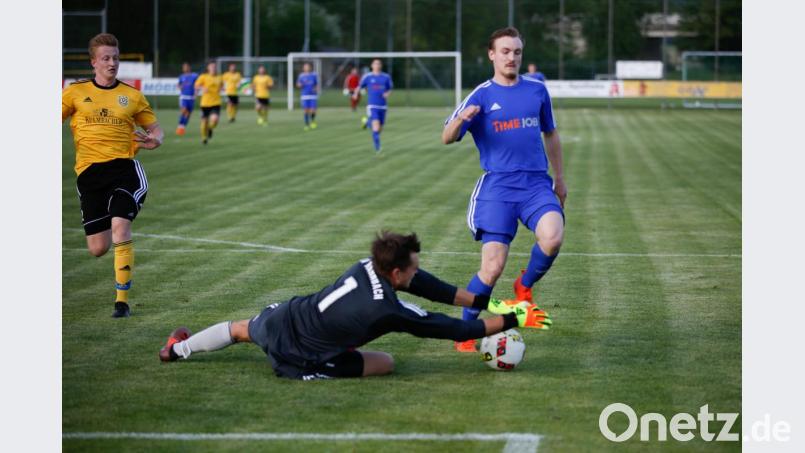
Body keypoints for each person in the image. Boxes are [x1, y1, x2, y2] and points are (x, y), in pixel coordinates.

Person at [159, 232, 551, 379]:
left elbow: (427, 286)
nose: (418, 271)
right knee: (386, 363)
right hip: (304, 352)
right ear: (396, 273)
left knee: (241, 329)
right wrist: (515, 316)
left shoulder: (369, 265)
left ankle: (177, 348)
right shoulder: (387, 310)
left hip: (287, 315)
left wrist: (484, 300)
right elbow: (452, 328)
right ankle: (311, 367)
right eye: (412, 267)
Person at [441, 27, 566, 352]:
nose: (512, 57)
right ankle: (467, 331)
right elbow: (447, 136)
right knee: (492, 266)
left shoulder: (537, 91)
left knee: (553, 237)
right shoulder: (480, 95)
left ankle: (524, 287)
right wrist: (461, 120)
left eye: (517, 52)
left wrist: (560, 178)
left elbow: (550, 134)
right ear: (492, 55)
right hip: (498, 186)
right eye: (506, 51)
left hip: (536, 184)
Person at [62, 33, 164, 318]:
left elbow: (156, 129)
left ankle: (122, 302)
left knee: (121, 226)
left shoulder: (131, 96)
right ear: (93, 62)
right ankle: (111, 215)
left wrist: (157, 139)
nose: (112, 63)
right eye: (106, 58)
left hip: (124, 170)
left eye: (116, 58)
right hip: (90, 176)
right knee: (97, 248)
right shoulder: (74, 92)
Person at [356, 59, 393, 152]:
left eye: (379, 64)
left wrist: (387, 94)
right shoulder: (368, 77)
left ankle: (367, 122)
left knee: (380, 128)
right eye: (375, 63)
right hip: (372, 105)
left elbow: (390, 89)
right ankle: (378, 147)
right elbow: (360, 86)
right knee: (376, 127)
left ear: (381, 66)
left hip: (383, 106)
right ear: (372, 66)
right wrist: (356, 93)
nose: (377, 65)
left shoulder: (386, 77)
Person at [194, 61, 223, 145]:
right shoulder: (203, 77)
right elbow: (196, 85)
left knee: (215, 120)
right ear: (208, 68)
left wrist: (220, 89)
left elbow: (221, 85)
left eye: (214, 67)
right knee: (204, 122)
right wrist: (202, 87)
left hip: (216, 102)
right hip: (205, 103)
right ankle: (204, 138)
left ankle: (210, 129)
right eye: (212, 67)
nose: (213, 68)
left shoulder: (219, 77)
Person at [176, 62, 198, 136]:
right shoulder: (181, 76)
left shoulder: (194, 75)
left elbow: (197, 84)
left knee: (188, 114)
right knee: (184, 111)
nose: (184, 68)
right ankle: (180, 125)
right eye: (183, 67)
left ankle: (182, 127)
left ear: (189, 67)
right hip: (183, 97)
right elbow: (178, 85)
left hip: (191, 97)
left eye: (186, 67)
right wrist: (180, 87)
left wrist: (196, 93)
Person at [296, 62, 318, 130]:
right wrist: (299, 85)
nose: (307, 68)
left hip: (312, 95)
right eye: (305, 67)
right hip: (305, 95)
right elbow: (298, 84)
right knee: (306, 110)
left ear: (310, 67)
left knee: (313, 110)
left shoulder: (314, 75)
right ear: (303, 68)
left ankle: (313, 121)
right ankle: (306, 124)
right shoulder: (301, 76)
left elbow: (316, 84)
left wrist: (315, 89)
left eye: (308, 66)